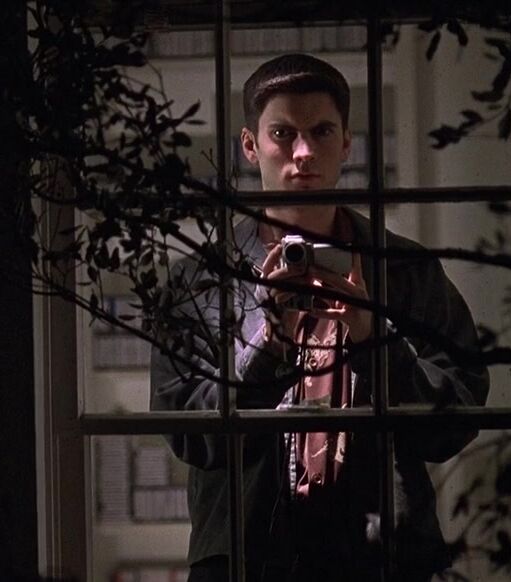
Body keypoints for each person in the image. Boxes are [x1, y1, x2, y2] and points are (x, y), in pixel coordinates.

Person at [150, 53, 489, 581]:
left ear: (346, 142)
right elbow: (187, 433)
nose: (303, 152)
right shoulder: (198, 281)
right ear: (250, 145)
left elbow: (455, 420)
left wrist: (373, 338)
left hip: (378, 556)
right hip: (247, 559)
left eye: (321, 132)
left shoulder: (405, 269)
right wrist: (267, 346)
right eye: (283, 134)